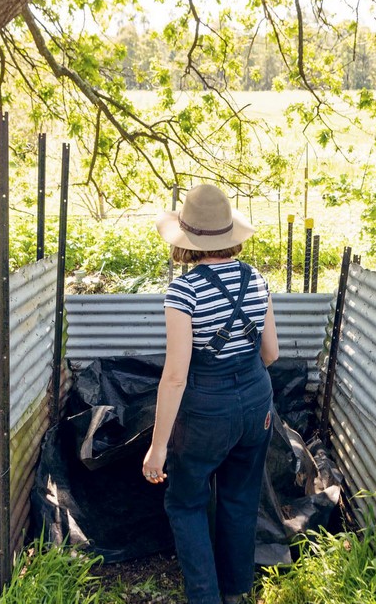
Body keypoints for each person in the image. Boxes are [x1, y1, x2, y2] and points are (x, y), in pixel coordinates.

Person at [142, 183, 279, 604]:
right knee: (240, 497)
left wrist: (157, 448)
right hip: (257, 402)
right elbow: (271, 353)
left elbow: (175, 377)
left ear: (187, 238)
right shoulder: (256, 279)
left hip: (205, 411)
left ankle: (205, 597)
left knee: (186, 503)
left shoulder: (184, 292)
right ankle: (237, 590)